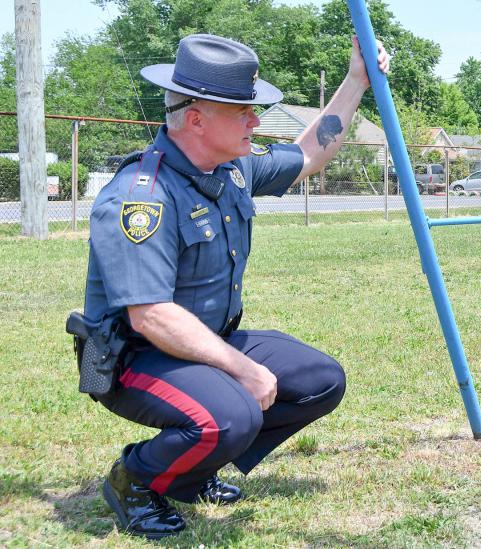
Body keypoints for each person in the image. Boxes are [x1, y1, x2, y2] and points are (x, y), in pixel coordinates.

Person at [79, 33, 388, 539]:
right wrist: (245, 370)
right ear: (196, 118)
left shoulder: (230, 169)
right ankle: (134, 478)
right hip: (126, 357)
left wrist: (357, 80)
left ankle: (191, 471)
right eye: (242, 110)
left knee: (320, 380)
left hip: (201, 343)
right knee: (234, 413)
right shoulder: (143, 198)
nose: (256, 121)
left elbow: (308, 153)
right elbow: (149, 315)